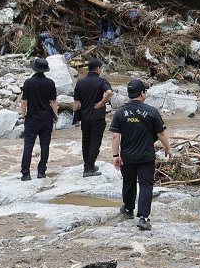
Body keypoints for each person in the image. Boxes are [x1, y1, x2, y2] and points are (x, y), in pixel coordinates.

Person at [110, 79, 173, 231]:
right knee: (145, 185)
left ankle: (128, 209)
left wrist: (115, 155)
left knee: (128, 182)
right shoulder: (151, 112)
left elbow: (115, 136)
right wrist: (168, 149)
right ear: (142, 93)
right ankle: (144, 218)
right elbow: (161, 133)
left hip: (127, 156)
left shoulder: (120, 112)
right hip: (146, 156)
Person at [73, 58, 113, 177]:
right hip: (97, 116)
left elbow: (76, 103)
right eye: (101, 68)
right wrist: (101, 103)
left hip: (84, 117)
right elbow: (109, 92)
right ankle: (89, 169)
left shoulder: (80, 82)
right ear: (98, 69)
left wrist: (75, 118)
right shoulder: (101, 81)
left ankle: (88, 164)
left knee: (86, 141)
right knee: (95, 142)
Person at [20, 58, 58, 181]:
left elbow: (24, 102)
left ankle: (26, 174)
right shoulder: (50, 83)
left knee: (28, 146)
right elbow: (53, 102)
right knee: (45, 145)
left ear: (34, 69)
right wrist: (55, 117)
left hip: (32, 118)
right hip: (46, 118)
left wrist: (23, 115)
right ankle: (41, 172)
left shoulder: (28, 82)